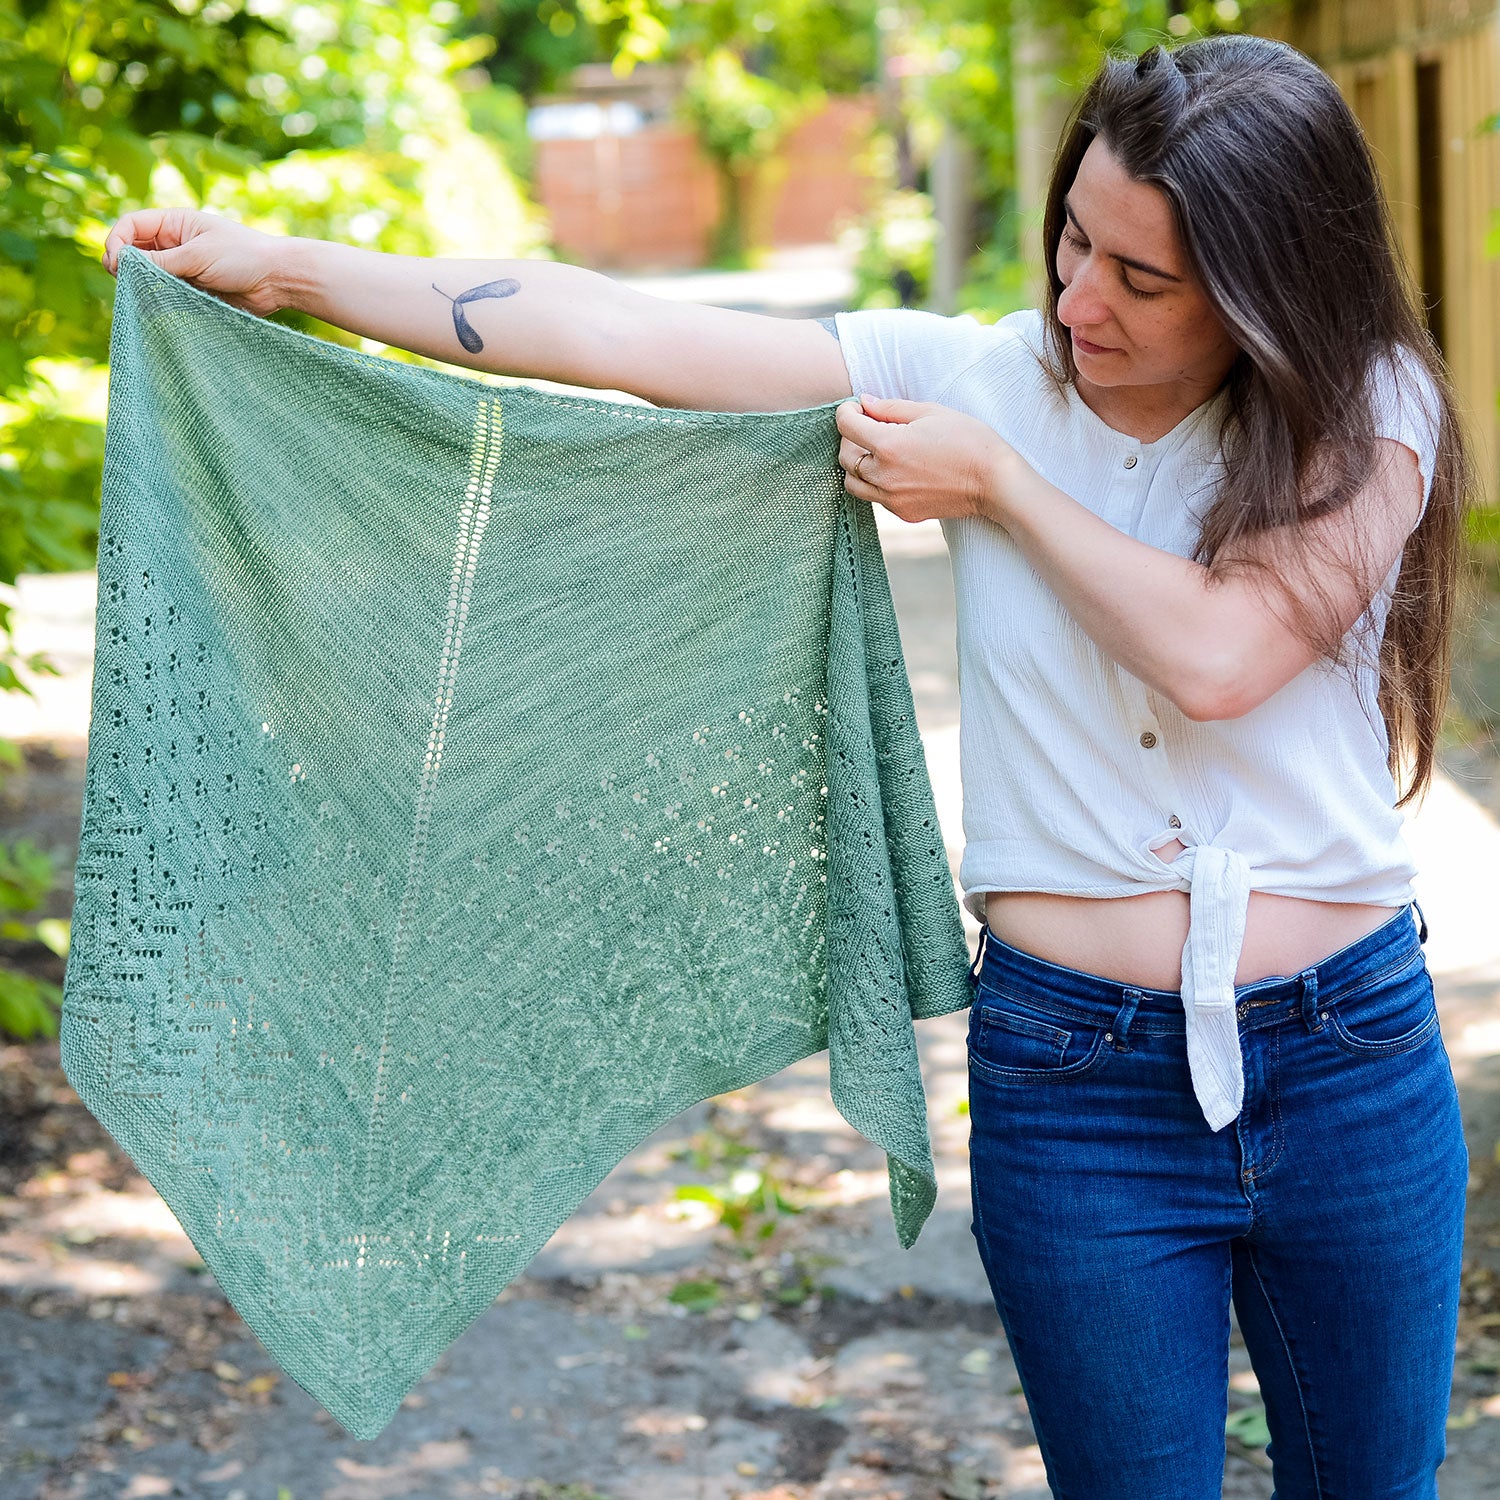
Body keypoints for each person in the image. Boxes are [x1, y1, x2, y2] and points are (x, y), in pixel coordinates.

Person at [103, 31, 1477, 1496]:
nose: (1079, 298)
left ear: (1267, 294)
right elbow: (613, 331)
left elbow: (1224, 654)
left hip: (1353, 1066)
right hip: (1078, 1085)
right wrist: (289, 271)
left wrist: (998, 487)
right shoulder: (971, 376)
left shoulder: (1370, 406)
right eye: (1074, 238)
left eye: (1142, 279)